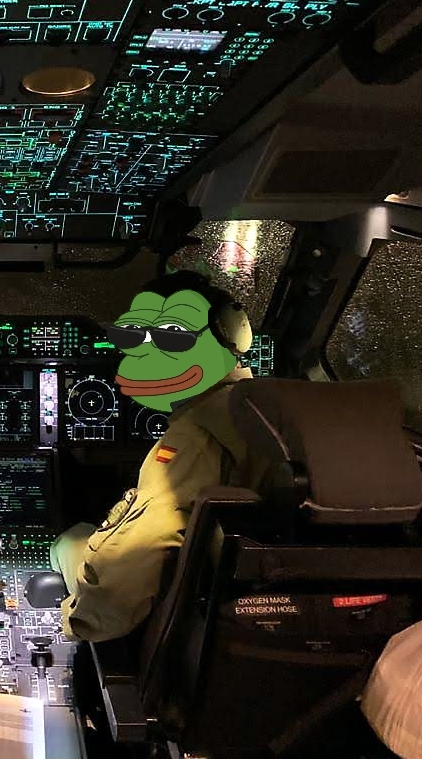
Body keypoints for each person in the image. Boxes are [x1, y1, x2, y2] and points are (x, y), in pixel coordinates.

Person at [50, 271, 270, 641]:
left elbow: (119, 588)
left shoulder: (198, 436)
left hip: (202, 628)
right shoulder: (270, 410)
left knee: (69, 541)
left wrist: (77, 614)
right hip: (250, 607)